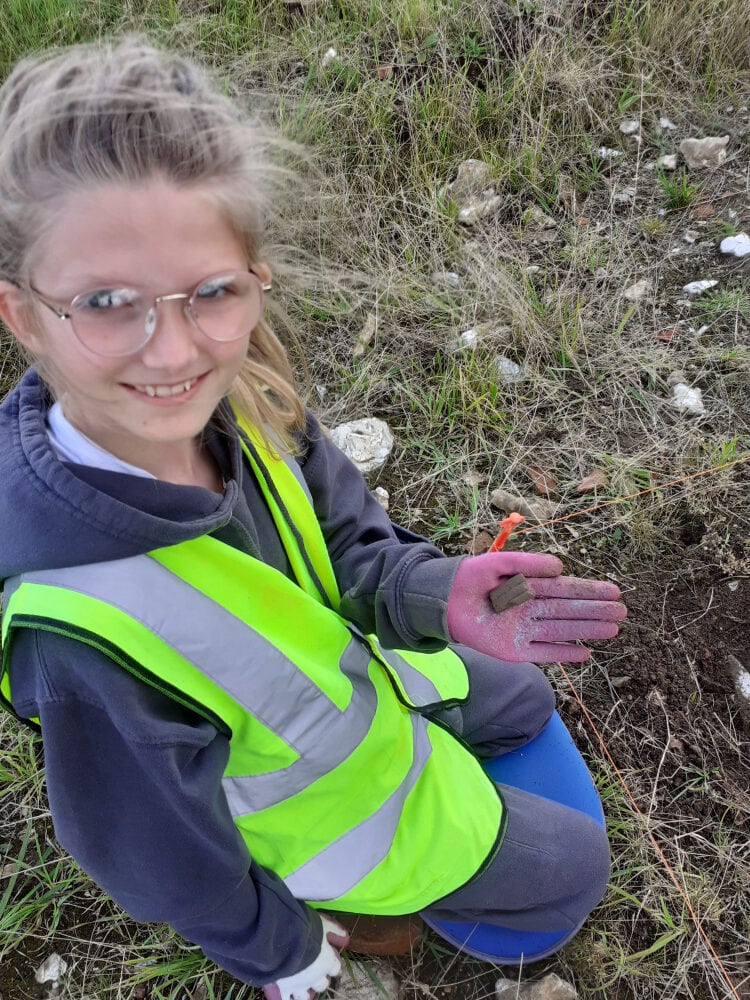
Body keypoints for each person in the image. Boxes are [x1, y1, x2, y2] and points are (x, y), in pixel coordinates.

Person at [0, 38, 627, 1000]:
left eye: (211, 292)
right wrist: (278, 948)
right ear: (23, 316)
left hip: (361, 690)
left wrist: (428, 592)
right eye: (106, 303)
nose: (172, 351)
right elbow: (159, 853)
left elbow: (345, 541)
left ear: (253, 281)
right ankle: (375, 914)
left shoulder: (243, 397)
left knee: (526, 700)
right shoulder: (76, 630)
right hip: (322, 810)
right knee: (577, 876)